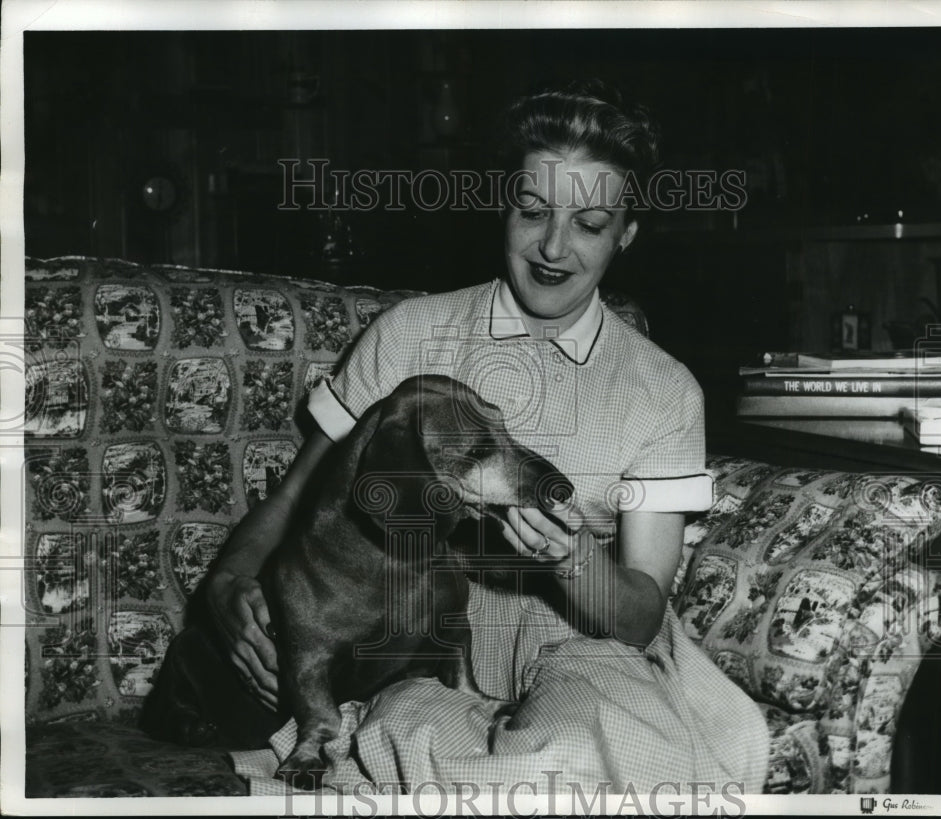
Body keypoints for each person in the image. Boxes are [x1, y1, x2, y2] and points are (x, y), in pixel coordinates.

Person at [149, 79, 769, 792]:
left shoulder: (664, 390)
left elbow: (636, 616)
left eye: (591, 224)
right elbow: (298, 499)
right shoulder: (409, 335)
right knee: (451, 758)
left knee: (574, 761)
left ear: (627, 231)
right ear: (503, 203)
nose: (553, 247)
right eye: (532, 210)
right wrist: (226, 585)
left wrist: (569, 559)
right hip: (418, 656)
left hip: (580, 653)